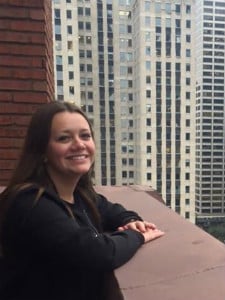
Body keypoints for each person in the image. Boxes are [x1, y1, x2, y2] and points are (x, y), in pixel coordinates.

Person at [0, 101, 164, 300]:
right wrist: (138, 237)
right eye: (64, 138)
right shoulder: (30, 202)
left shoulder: (79, 194)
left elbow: (114, 212)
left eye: (85, 136)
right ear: (42, 151)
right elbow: (97, 254)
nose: (79, 144)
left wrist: (131, 220)